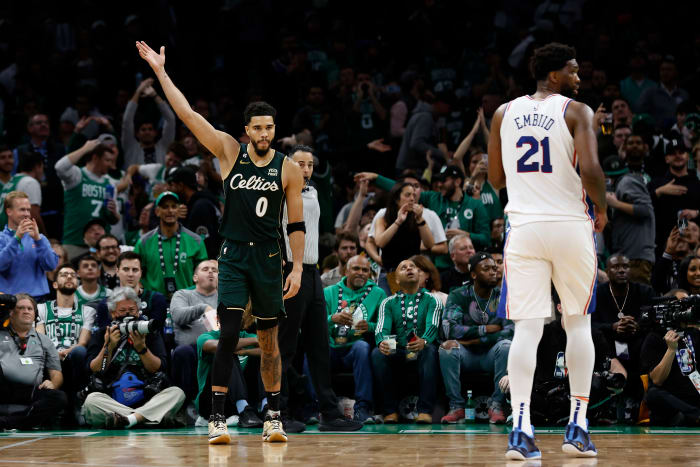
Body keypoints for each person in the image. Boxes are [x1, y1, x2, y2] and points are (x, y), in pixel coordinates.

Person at [137, 41, 306, 444]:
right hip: (232, 254)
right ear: (247, 131)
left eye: (269, 127)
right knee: (227, 332)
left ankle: (274, 417)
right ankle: (216, 417)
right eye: (257, 128)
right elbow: (188, 114)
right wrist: (161, 72)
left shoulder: (290, 169)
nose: (264, 133)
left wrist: (297, 267)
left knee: (268, 341)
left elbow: (296, 225)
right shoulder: (230, 151)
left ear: (274, 130)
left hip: (269, 257)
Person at [488, 43, 608, 459]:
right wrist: (604, 210)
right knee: (578, 325)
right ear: (554, 76)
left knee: (526, 330)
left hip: (523, 227)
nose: (579, 78)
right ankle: (578, 426)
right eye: (573, 71)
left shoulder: (503, 113)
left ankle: (521, 430)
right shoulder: (577, 111)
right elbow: (591, 171)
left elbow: (495, 178)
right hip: (571, 225)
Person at [278, 145, 363, 432]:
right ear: (287, 165)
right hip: (289, 271)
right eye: (300, 164)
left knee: (319, 346)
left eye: (310, 165)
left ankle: (329, 413)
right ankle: (279, 412)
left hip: (313, 272)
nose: (306, 170)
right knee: (286, 347)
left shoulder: (313, 192)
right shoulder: (276, 194)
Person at [82, 287, 185, 428]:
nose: (128, 315)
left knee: (177, 393)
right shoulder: (102, 334)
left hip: (147, 396)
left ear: (138, 311)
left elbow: (159, 368)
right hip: (113, 398)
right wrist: (108, 347)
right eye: (122, 311)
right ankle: (145, 418)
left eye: (132, 310)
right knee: (91, 401)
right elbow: (94, 369)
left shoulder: (149, 332)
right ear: (112, 314)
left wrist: (141, 348)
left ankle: (127, 420)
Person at [529, 289, 628, 425]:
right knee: (515, 390)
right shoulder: (544, 333)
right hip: (548, 396)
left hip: (581, 396)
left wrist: (617, 379)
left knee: (597, 383)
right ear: (559, 308)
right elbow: (524, 359)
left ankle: (576, 416)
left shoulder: (593, 334)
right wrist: (509, 376)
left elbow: (616, 366)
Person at [439, 252, 513, 424]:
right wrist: (485, 329)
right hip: (465, 354)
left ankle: (496, 405)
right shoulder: (458, 294)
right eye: (486, 269)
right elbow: (449, 329)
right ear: (473, 274)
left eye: (495, 268)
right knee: (447, 346)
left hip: (491, 354)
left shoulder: (503, 296)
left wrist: (475, 339)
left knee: (507, 345)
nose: (493, 272)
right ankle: (456, 406)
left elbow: (509, 331)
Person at [372, 259, 442, 424]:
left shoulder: (433, 300)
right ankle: (389, 411)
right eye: (403, 268)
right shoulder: (388, 302)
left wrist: (424, 341)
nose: (409, 269)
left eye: (413, 267)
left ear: (419, 275)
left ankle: (425, 411)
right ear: (396, 280)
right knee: (377, 353)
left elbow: (433, 325)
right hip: (400, 349)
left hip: (422, 348)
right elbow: (382, 328)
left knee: (430, 350)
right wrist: (381, 341)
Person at [592, 254, 656, 421]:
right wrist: (613, 326)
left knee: (648, 343)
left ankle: (638, 401)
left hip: (637, 342)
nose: (621, 270)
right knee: (599, 341)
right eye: (615, 267)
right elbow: (591, 324)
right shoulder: (598, 294)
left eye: (625, 267)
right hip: (609, 343)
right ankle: (610, 404)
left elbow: (654, 319)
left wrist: (637, 326)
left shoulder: (644, 291)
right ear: (607, 271)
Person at [325, 255, 386, 424]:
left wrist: (370, 327)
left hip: (354, 349)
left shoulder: (378, 293)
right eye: (356, 269)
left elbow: (385, 325)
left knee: (361, 346)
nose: (361, 273)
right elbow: (313, 324)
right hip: (331, 347)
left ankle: (363, 408)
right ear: (346, 271)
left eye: (365, 270)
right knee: (315, 350)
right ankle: (315, 407)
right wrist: (332, 318)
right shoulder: (328, 292)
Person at [36, 263, 96, 420]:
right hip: (49, 356)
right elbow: (41, 338)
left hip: (73, 356)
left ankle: (78, 401)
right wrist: (54, 354)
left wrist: (67, 352)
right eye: (64, 274)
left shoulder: (88, 311)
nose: (69, 276)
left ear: (77, 283)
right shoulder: (41, 308)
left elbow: (83, 342)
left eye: (73, 275)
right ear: (55, 284)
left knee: (80, 351)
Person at [0, 293, 67, 430]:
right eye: (21, 308)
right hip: (3, 388)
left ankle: (11, 422)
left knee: (59, 397)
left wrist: (53, 382)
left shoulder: (44, 341)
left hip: (31, 392)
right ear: (11, 312)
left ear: (35, 314)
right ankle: (21, 421)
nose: (26, 311)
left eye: (30, 309)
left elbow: (57, 374)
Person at [195, 304, 264, 428]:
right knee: (225, 351)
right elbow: (216, 346)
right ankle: (243, 410)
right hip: (210, 401)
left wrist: (247, 351)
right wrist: (254, 341)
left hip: (236, 396)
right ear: (218, 319)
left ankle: (266, 407)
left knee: (264, 357)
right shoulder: (206, 336)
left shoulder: (244, 335)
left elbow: (269, 349)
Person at [134, 191, 208, 297]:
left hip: (187, 302)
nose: (170, 211)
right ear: (157, 211)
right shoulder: (144, 242)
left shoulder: (195, 241)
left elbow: (203, 275)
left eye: (174, 206)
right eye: (165, 207)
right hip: (154, 304)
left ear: (179, 210)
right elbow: (135, 273)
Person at [54, 139, 119, 259]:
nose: (110, 164)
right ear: (95, 158)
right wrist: (85, 149)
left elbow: (115, 220)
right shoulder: (77, 175)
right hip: (74, 241)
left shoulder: (110, 183)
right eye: (107, 160)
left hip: (101, 245)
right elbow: (60, 167)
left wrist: (114, 213)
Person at [640, 297, 700, 426]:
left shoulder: (694, 333)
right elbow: (657, 379)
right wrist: (671, 349)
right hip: (673, 398)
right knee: (653, 394)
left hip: (695, 394)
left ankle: (690, 417)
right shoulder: (654, 337)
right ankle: (695, 416)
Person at [607, 133, 656, 284]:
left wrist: (616, 204)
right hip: (628, 256)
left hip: (636, 259)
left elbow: (645, 210)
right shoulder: (622, 182)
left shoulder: (627, 181)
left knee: (638, 305)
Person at [170, 259, 219, 402]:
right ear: (195, 277)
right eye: (205, 269)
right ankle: (188, 405)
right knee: (183, 352)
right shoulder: (183, 295)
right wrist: (202, 308)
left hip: (220, 347)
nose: (210, 271)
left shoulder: (226, 298)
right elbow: (178, 316)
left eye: (214, 270)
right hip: (191, 351)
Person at [373, 182, 435, 294]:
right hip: (390, 274)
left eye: (413, 195)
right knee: (391, 307)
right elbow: (380, 242)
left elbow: (430, 244)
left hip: (411, 273)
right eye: (408, 195)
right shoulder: (383, 218)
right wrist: (398, 221)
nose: (412, 199)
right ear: (397, 199)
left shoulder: (418, 218)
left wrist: (420, 220)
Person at [648, 136, 700, 258]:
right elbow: (642, 208)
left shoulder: (697, 184)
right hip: (663, 247)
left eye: (681, 152)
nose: (677, 156)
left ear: (687, 156)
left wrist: (697, 213)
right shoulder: (656, 184)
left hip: (694, 248)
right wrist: (659, 192)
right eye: (672, 153)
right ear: (666, 159)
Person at [0, 191, 59, 298]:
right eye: (22, 209)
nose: (27, 214)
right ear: (9, 211)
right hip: (9, 300)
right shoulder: (1, 238)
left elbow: (51, 266)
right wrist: (16, 238)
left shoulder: (40, 238)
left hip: (38, 299)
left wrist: (38, 240)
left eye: (28, 210)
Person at [94, 252, 168, 331]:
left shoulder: (156, 299)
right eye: (126, 269)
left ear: (141, 273)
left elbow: (156, 333)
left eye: (135, 270)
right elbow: (104, 337)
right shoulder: (105, 304)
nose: (130, 274)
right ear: (117, 271)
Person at [165, 165, 222, 258]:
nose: (170, 189)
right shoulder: (193, 204)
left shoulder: (201, 206)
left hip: (208, 263)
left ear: (181, 185)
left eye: (173, 185)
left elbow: (204, 244)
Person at [121, 78, 176, 167]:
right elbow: (127, 121)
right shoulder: (130, 147)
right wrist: (138, 91)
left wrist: (154, 95)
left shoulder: (164, 147)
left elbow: (170, 119)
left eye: (150, 129)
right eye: (143, 130)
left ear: (155, 133)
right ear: (137, 134)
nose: (147, 132)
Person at [0, 151, 45, 232]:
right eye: (42, 167)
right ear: (37, 166)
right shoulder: (30, 182)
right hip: (13, 234)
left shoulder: (12, 180)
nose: (43, 172)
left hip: (4, 233)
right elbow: (34, 215)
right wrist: (44, 237)